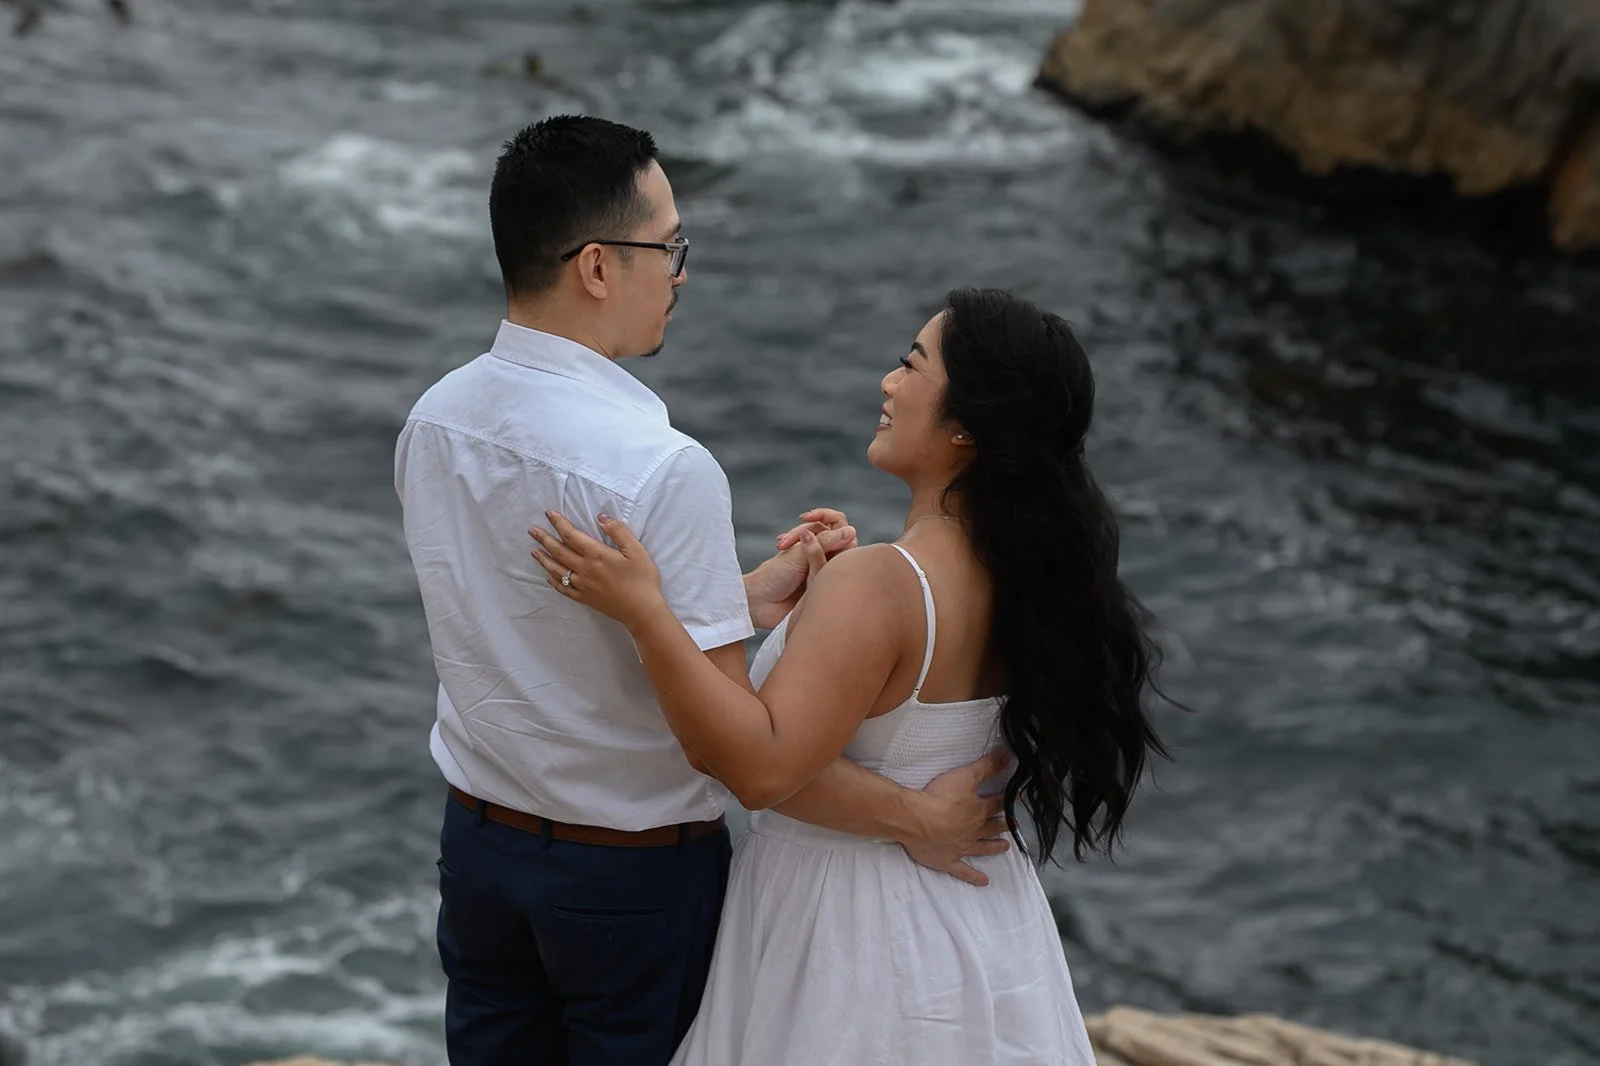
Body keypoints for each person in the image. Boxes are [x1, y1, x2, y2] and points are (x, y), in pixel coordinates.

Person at [394, 116, 1013, 1066]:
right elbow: (739, 748)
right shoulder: (661, 466)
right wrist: (915, 817)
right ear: (597, 266)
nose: (679, 271)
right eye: (666, 246)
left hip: (479, 853)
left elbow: (531, 624)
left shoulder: (434, 422)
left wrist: (739, 597)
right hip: (628, 882)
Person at [531, 287, 1176, 1066]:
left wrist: (646, 612)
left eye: (912, 365)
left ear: (968, 425)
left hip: (847, 938)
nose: (888, 383)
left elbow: (758, 767)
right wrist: (810, 611)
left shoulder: (883, 584)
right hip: (977, 931)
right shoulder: (1030, 576)